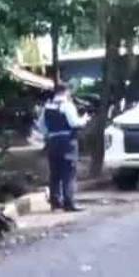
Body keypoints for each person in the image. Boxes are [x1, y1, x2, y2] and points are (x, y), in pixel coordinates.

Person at [37, 83, 86, 212]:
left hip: (52, 142)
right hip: (67, 142)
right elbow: (74, 123)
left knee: (55, 174)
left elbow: (41, 126)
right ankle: (69, 203)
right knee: (68, 173)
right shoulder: (67, 106)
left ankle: (55, 203)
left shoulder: (47, 107)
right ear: (66, 92)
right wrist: (84, 120)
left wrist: (50, 133)